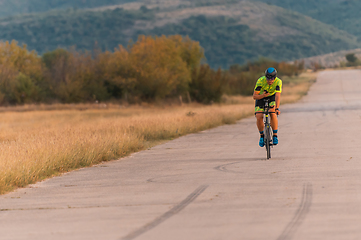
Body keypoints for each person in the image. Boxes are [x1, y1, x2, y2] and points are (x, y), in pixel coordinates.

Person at [253, 67, 282, 147]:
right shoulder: (260, 81)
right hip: (261, 97)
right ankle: (262, 136)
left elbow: (277, 96)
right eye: (268, 78)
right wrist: (262, 95)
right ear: (265, 77)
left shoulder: (278, 82)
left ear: (275, 77)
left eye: (272, 78)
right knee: (259, 116)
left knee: (273, 113)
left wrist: (277, 108)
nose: (270, 81)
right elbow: (255, 96)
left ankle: (275, 135)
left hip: (272, 97)